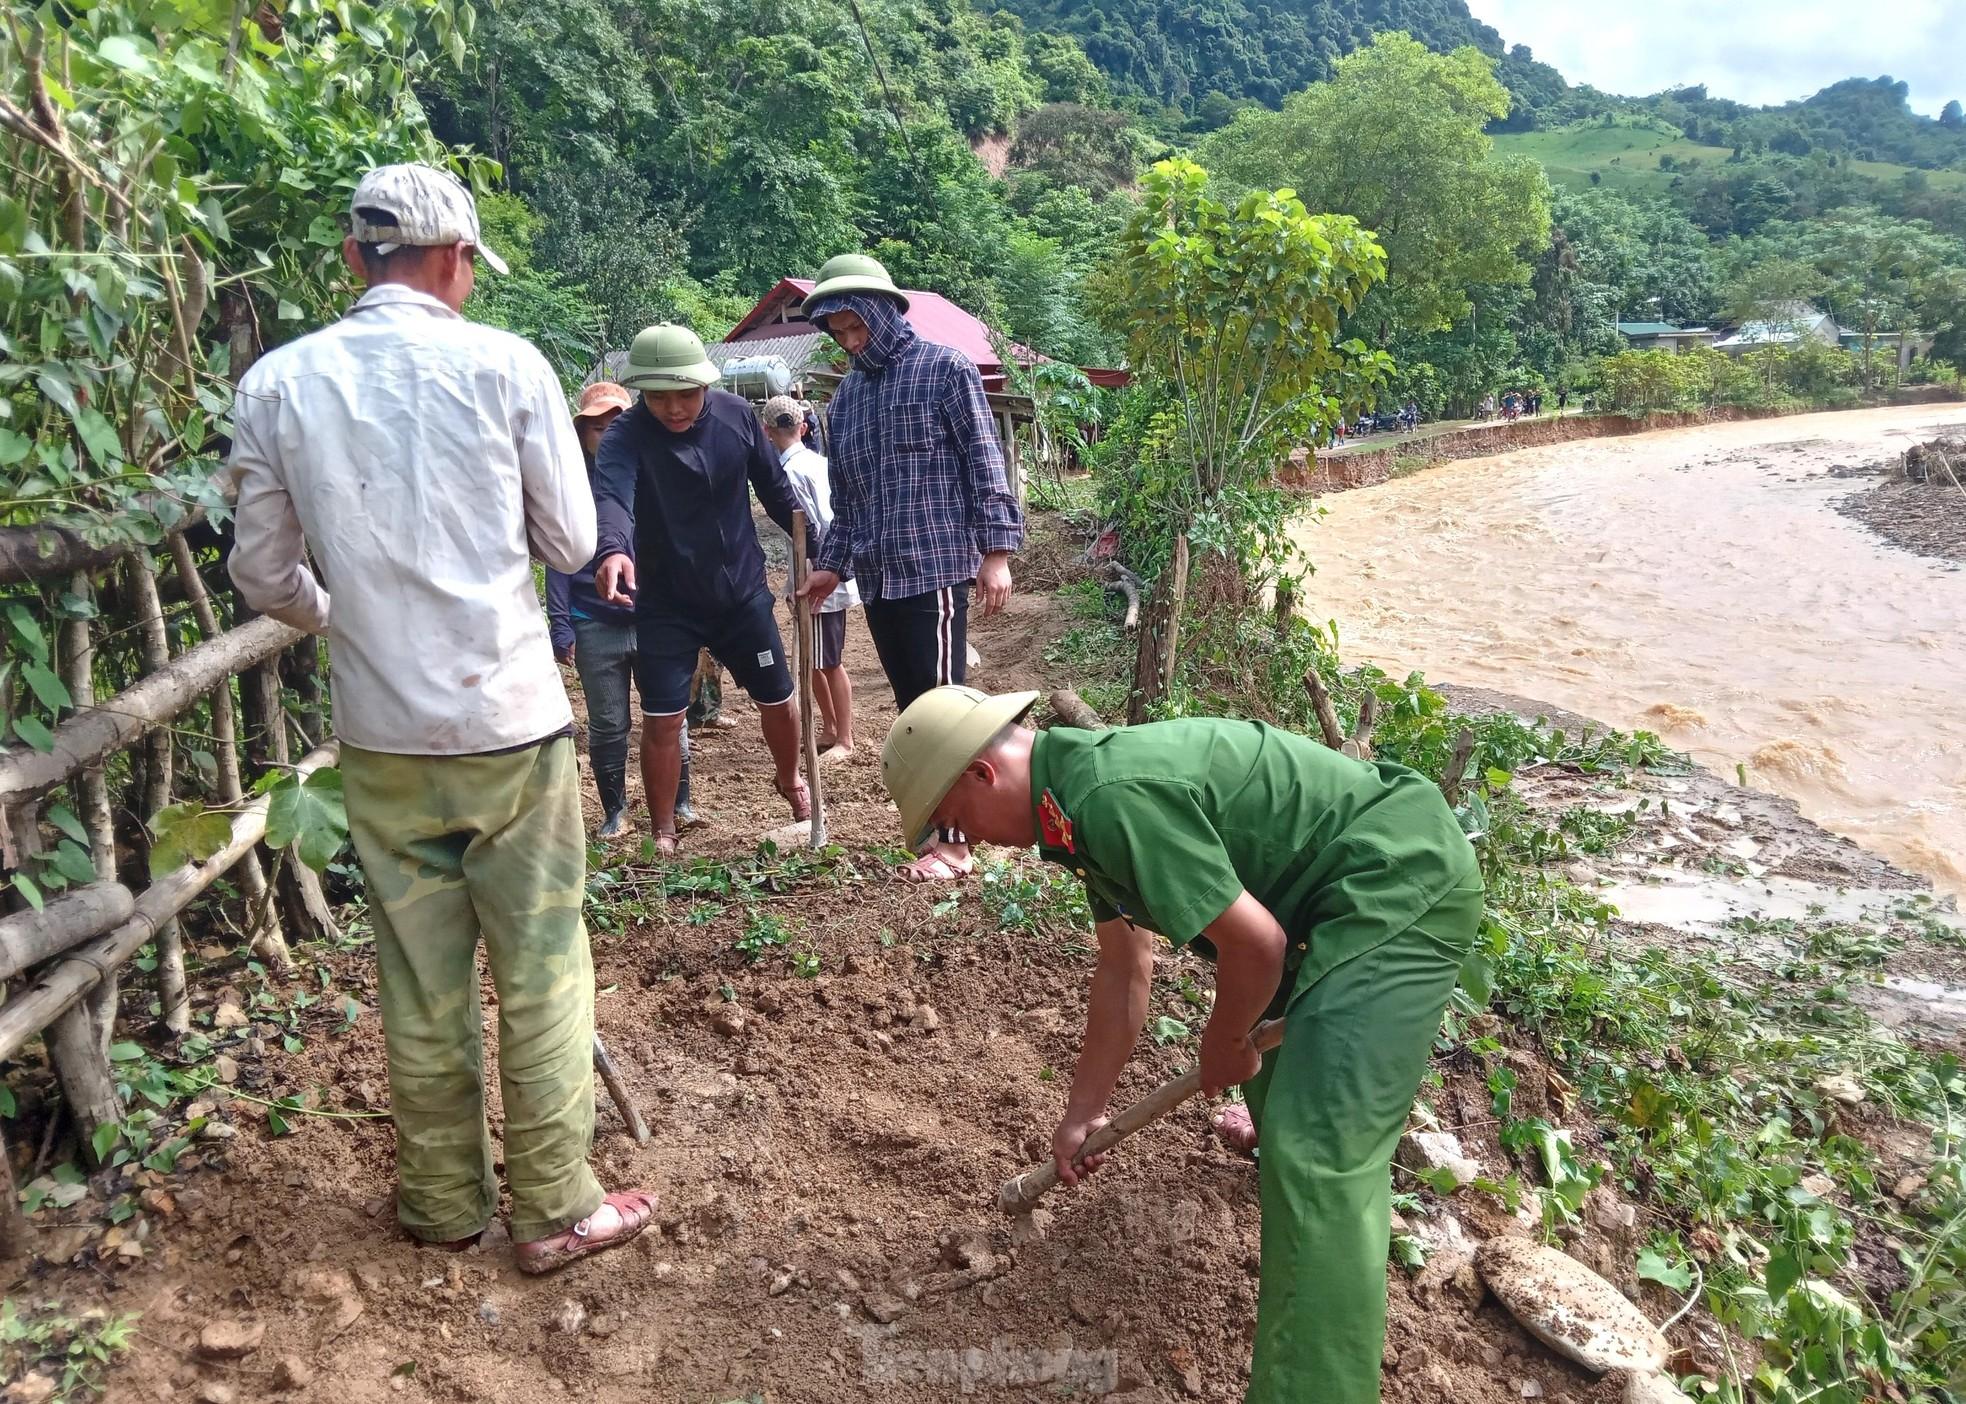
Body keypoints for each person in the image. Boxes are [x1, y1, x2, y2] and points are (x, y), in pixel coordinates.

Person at [227, 162, 655, 1274]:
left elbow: (265, 576)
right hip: (508, 725)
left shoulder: (278, 385)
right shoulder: (506, 366)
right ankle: (557, 1208)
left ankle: (440, 1203)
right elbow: (569, 543)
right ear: (458, 258)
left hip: (382, 737)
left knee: (419, 981)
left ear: (351, 260)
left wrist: (344, 614)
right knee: (544, 965)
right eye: (471, 266)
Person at [877, 686, 1483, 1403]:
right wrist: (1083, 1112)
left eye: (954, 822)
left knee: (1323, 1158)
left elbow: (1257, 946)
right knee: (1285, 1108)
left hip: (1395, 878)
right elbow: (1124, 968)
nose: (968, 841)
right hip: (1320, 896)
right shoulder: (1072, 805)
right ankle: (1289, 1176)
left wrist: (1224, 1039)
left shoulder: (1108, 797)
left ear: (982, 776)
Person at [797, 253, 1025, 883]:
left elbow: (985, 462)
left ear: (882, 313)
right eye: (838, 333)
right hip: (879, 575)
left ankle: (957, 841)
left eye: (856, 328)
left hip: (938, 566)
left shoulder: (943, 370)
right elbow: (848, 503)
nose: (849, 342)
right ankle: (940, 829)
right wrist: (829, 566)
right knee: (913, 712)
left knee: (945, 706)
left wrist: (996, 552)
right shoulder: (844, 404)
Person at [591, 323, 810, 855]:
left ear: (704, 384)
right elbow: (613, 499)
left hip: (739, 593)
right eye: (658, 397)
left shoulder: (736, 417)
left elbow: (778, 492)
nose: (672, 408)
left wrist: (815, 550)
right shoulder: (625, 437)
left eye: (684, 394)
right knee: (663, 718)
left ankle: (790, 779)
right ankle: (663, 828)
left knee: (778, 699)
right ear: (642, 391)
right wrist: (614, 549)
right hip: (666, 602)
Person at [545, 382, 702, 839]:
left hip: (659, 617)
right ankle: (615, 811)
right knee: (609, 722)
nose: (607, 434)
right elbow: (558, 561)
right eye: (597, 427)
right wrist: (561, 624)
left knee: (670, 715)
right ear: (583, 433)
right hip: (593, 620)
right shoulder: (570, 488)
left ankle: (681, 802)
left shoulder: (663, 473)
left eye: (616, 424)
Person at [761, 393, 858, 759]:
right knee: (816, 659)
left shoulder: (790, 472)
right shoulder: (819, 462)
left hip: (818, 573)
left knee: (827, 660)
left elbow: (813, 527)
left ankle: (845, 737)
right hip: (821, 570)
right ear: (801, 427)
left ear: (767, 431)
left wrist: (813, 571)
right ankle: (831, 728)